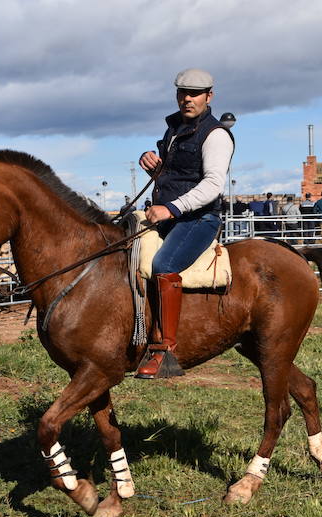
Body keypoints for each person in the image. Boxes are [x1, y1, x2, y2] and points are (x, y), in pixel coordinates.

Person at [136, 68, 234, 379]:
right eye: (182, 93)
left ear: (209, 96)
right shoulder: (174, 130)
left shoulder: (216, 135)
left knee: (164, 264)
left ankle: (165, 352)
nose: (187, 98)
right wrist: (154, 168)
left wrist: (170, 209)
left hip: (199, 218)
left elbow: (212, 185)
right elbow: (178, 176)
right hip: (172, 213)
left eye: (194, 93)